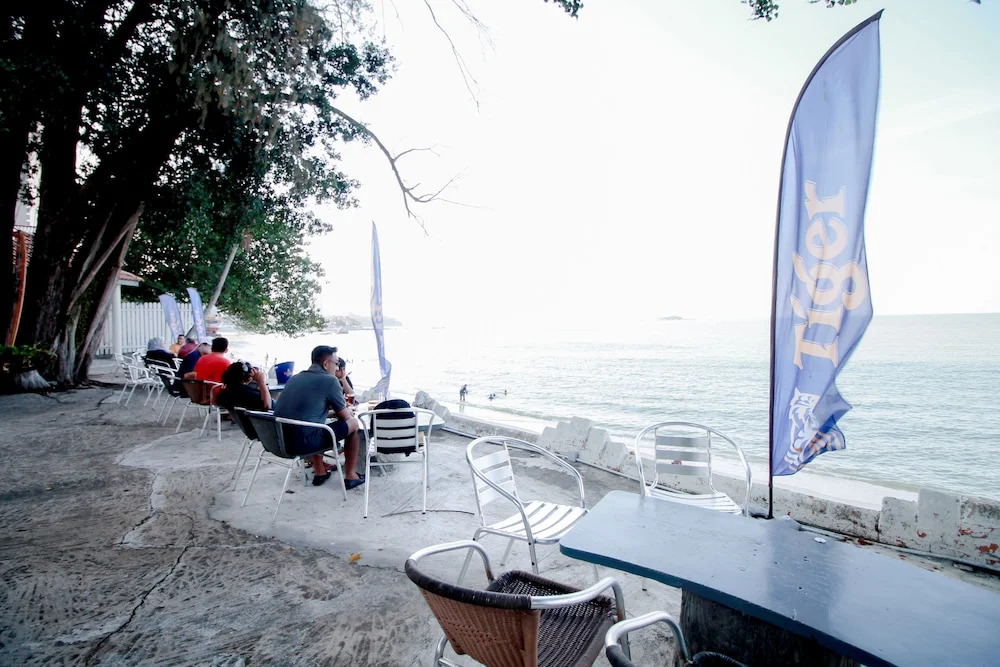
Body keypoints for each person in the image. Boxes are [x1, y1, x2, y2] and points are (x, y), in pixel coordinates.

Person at [273, 345, 364, 488]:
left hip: (280, 441)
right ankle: (351, 475)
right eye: (336, 363)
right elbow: (346, 417)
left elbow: (307, 412)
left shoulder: (295, 378)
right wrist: (347, 412)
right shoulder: (330, 380)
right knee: (353, 423)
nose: (337, 367)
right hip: (303, 444)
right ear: (326, 364)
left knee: (318, 423)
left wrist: (332, 413)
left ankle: (320, 472)